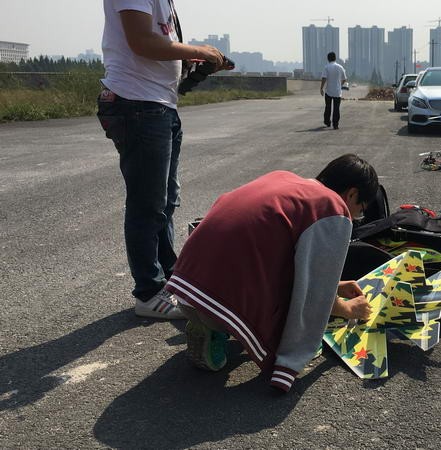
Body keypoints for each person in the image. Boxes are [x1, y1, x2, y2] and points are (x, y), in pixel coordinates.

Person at [165, 154, 378, 392]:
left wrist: (335, 286)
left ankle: (208, 327)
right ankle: (216, 328)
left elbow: (279, 261)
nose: (355, 217)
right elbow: (313, 294)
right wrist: (347, 308)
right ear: (352, 194)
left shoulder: (282, 178)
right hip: (218, 305)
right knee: (296, 317)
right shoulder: (332, 208)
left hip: (185, 289)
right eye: (360, 210)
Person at [97, 0, 225, 319]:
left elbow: (158, 42)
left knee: (165, 201)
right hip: (138, 105)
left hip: (158, 105)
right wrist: (201, 51)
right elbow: (141, 41)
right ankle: (149, 292)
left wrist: (191, 58)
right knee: (147, 204)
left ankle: (169, 280)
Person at [320, 52, 347, 129]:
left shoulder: (327, 67)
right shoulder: (340, 67)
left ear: (328, 59)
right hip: (337, 92)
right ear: (335, 58)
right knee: (336, 108)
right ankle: (335, 124)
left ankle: (327, 122)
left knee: (328, 107)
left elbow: (324, 78)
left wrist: (321, 88)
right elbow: (344, 79)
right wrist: (340, 85)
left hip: (328, 91)